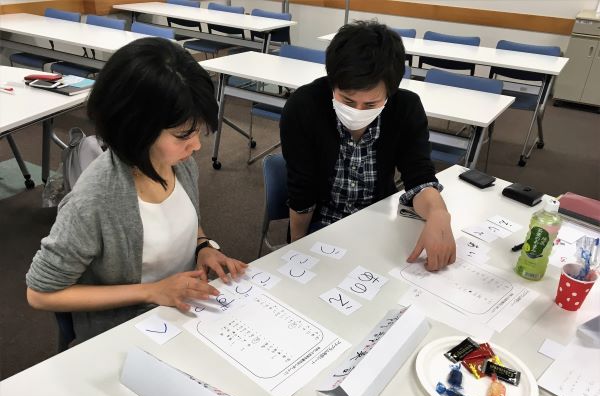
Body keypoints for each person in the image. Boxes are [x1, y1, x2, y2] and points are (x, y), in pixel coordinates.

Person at [26, 37, 246, 342]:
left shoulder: (179, 163)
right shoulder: (93, 202)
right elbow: (39, 293)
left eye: (198, 131)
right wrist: (152, 292)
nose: (196, 145)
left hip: (183, 312)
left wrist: (203, 246)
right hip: (131, 329)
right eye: (184, 135)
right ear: (136, 128)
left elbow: (183, 218)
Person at [280, 21, 456, 271]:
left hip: (378, 219)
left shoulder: (405, 108)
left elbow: (419, 177)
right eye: (347, 100)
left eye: (371, 104)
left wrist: (438, 212)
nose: (357, 111)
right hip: (324, 221)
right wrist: (296, 247)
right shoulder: (304, 107)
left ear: (389, 93)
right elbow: (302, 192)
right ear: (333, 83)